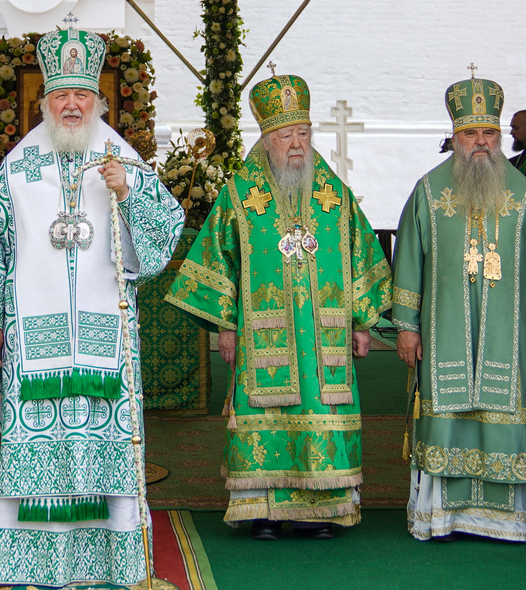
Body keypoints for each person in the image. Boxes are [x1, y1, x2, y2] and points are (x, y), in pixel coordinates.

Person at [0, 26, 186, 589]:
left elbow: (165, 237)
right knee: (37, 448)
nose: (71, 104)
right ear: (45, 100)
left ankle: (113, 562)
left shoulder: (123, 162)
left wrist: (129, 194)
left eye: (82, 95)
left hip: (105, 346)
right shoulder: (18, 166)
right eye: (61, 95)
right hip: (33, 343)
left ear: (98, 100)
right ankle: (31, 563)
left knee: (103, 447)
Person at [167, 75, 391, 538]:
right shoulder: (241, 196)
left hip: (324, 337)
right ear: (266, 140)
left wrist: (362, 321)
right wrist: (225, 326)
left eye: (303, 134)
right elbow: (217, 260)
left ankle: (324, 508)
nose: (296, 144)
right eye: (285, 135)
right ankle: (263, 509)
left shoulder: (335, 196)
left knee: (321, 411)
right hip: (263, 336)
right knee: (265, 412)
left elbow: (361, 256)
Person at [391, 71, 526, 543]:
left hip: (509, 340)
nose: (480, 142)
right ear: (454, 137)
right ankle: (441, 515)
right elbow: (409, 262)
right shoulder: (429, 192)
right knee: (448, 413)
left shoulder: (525, 196)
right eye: (470, 133)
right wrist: (407, 328)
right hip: (443, 335)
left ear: (499, 138)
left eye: (489, 133)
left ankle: (507, 519)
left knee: (506, 408)